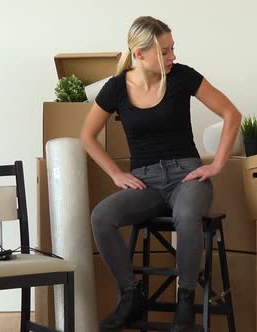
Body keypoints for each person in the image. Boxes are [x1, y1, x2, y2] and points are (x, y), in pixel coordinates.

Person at [80, 15, 241, 332]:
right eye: (164, 52)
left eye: (172, 49)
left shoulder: (183, 77)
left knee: (185, 216)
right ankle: (130, 297)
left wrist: (217, 164)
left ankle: (185, 305)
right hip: (145, 182)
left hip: (187, 177)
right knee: (101, 216)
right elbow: (87, 136)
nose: (172, 57)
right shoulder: (116, 88)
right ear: (139, 54)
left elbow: (231, 114)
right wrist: (115, 173)